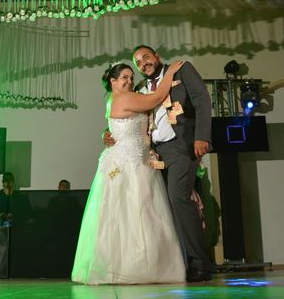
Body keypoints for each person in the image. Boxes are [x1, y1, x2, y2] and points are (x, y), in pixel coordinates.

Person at [104, 45, 215, 282]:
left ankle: (201, 264)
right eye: (138, 63)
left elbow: (202, 100)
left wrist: (202, 136)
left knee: (178, 198)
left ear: (157, 56)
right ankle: (177, 264)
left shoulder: (180, 71)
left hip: (181, 146)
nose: (143, 64)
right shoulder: (141, 88)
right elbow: (126, 116)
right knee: (162, 208)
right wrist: (107, 132)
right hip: (154, 155)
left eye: (146, 57)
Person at [72, 61, 187, 284]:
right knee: (136, 211)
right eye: (124, 77)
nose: (130, 81)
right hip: (128, 163)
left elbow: (119, 126)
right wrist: (171, 71)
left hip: (135, 158)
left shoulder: (117, 99)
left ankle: (138, 264)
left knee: (134, 212)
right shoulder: (124, 98)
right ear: (113, 81)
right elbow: (154, 99)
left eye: (131, 77)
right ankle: (136, 267)